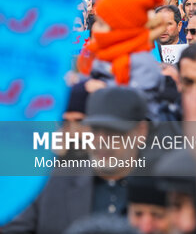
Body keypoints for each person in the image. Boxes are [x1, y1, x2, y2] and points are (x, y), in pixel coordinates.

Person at [4, 88, 150, 234]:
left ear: (141, 131)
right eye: (95, 130)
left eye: (113, 131)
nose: (101, 140)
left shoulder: (163, 187)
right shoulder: (48, 182)